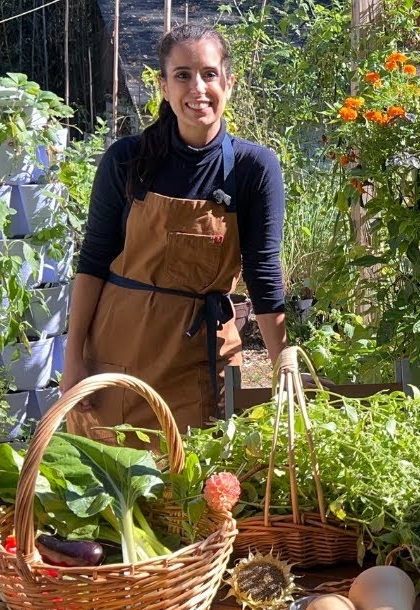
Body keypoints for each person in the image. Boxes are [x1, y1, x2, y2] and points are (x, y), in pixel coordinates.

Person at [61, 23, 286, 441]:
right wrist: (73, 359)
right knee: (115, 487)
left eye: (209, 74)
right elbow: (92, 262)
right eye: (182, 75)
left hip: (200, 358)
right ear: (163, 87)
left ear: (229, 83)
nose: (197, 87)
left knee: (200, 489)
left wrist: (282, 367)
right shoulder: (126, 160)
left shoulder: (254, 169)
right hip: (118, 354)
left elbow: (264, 274)